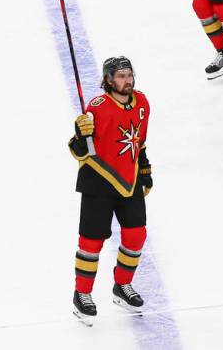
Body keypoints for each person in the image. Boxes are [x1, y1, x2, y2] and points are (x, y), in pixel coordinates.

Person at [68, 56, 153, 325]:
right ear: (108, 80)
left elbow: (140, 142)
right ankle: (82, 295)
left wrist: (145, 173)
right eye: (120, 76)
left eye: (129, 74)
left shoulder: (142, 103)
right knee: (91, 243)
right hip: (98, 180)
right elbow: (78, 150)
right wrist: (82, 135)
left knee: (136, 236)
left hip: (129, 181)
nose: (127, 80)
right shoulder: (97, 108)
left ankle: (122, 286)